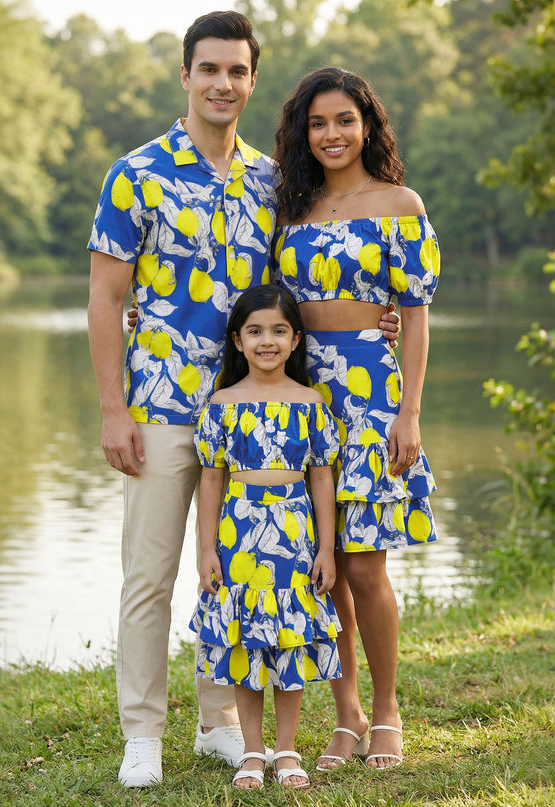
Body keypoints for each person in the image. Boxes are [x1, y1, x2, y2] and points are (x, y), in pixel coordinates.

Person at [96, 10, 399, 788]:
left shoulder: (273, 180)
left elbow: (302, 282)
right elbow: (105, 299)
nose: (222, 83)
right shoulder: (136, 174)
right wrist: (110, 408)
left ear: (251, 81)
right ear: (187, 76)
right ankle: (142, 731)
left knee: (230, 569)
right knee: (151, 573)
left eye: (237, 71)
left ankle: (219, 723)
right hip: (162, 400)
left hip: (253, 412)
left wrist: (377, 313)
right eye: (209, 69)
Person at [270, 66, 440, 771]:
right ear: (301, 133)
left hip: (370, 392)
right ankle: (345, 715)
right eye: (317, 123)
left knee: (364, 566)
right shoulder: (287, 208)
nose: (331, 134)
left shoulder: (400, 202)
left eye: (344, 120)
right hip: (301, 397)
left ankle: (388, 710)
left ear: (366, 124)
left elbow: (419, 315)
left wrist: (408, 412)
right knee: (324, 569)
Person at [189, 284, 341, 790]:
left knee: (288, 642)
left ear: (296, 340)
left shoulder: (311, 403)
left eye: (278, 330)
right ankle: (252, 751)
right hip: (239, 533)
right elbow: (211, 479)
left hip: (295, 535)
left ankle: (287, 750)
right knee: (247, 646)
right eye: (254, 331)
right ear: (237, 340)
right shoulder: (222, 404)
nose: (267, 341)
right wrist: (206, 548)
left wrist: (325, 547)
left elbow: (322, 476)